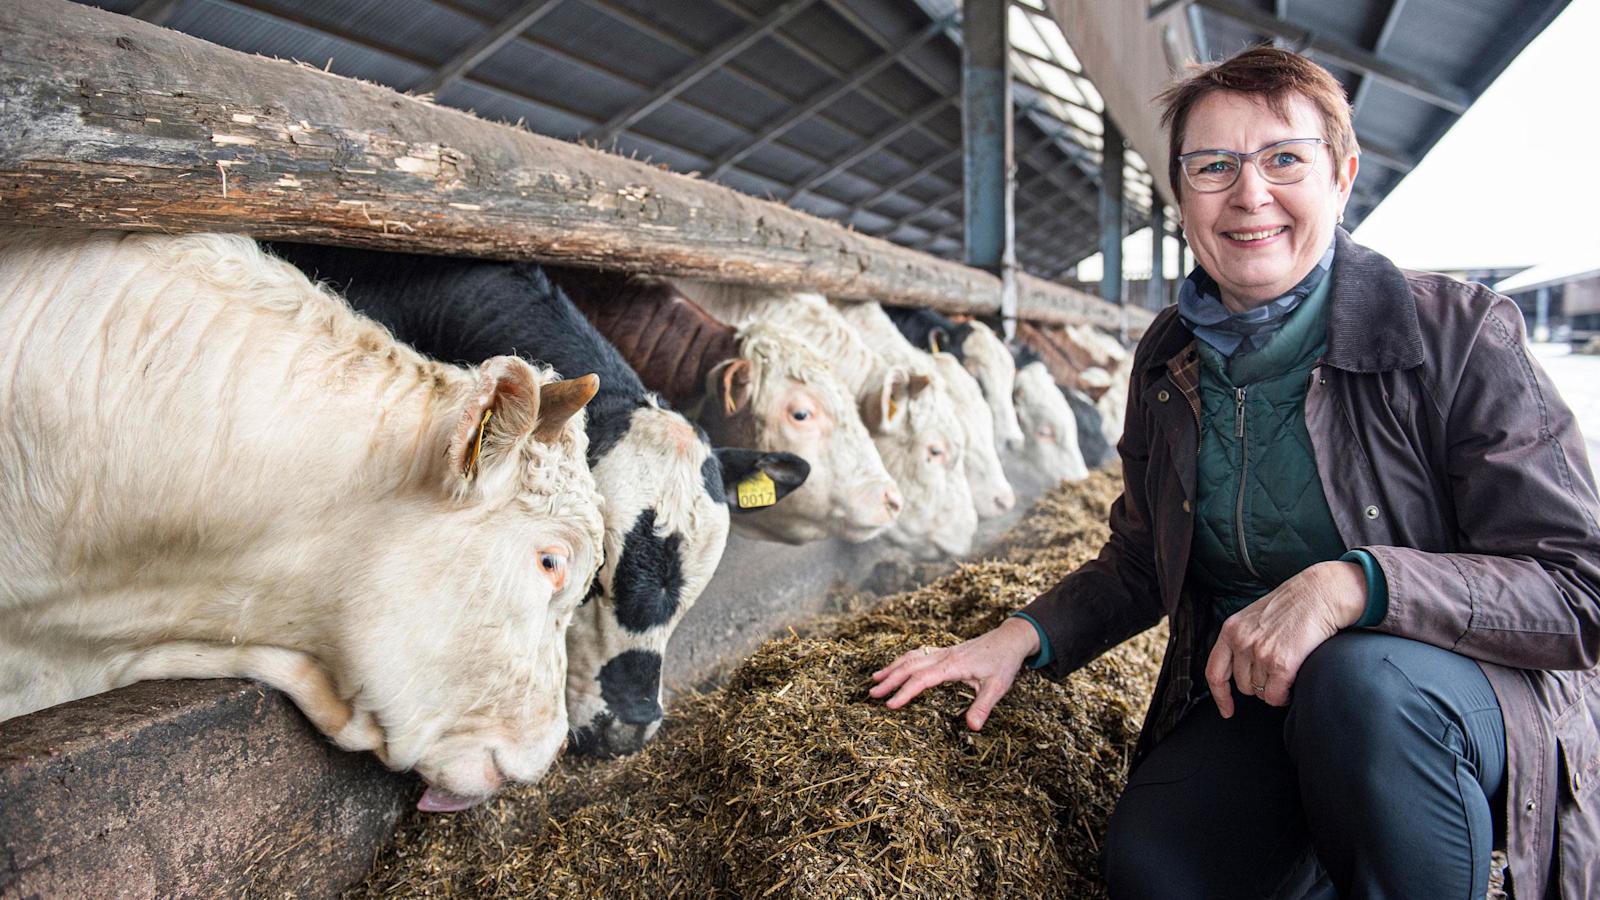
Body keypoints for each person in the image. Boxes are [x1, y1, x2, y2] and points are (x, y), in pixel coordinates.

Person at [870, 46, 1600, 899]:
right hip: (1263, 696)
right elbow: (1144, 559)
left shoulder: (1458, 336)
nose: (1249, 194)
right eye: (1213, 167)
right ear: (1180, 198)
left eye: (1284, 158)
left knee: (1358, 688)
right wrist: (1018, 639)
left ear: (1343, 175)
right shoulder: (1170, 357)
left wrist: (1351, 586)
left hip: (1450, 702)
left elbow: (1575, 586)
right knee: (1156, 868)